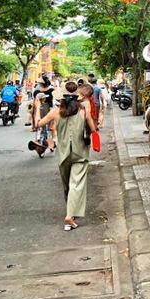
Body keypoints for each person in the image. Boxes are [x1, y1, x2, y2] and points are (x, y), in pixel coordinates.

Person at [38, 81, 96, 230]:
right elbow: (93, 129)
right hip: (80, 152)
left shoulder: (55, 112)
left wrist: (38, 107)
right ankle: (70, 215)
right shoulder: (83, 111)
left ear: (62, 97)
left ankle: (70, 214)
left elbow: (38, 124)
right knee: (76, 184)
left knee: (67, 185)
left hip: (63, 154)